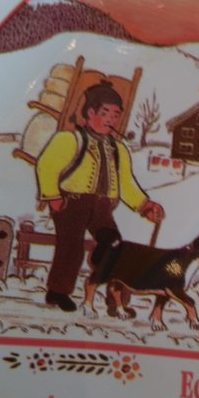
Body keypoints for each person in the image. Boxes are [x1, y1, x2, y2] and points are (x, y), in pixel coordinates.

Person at [35, 80, 164, 311]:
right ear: (89, 113)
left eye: (115, 115)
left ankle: (114, 297)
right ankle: (58, 292)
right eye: (105, 113)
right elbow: (47, 166)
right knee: (70, 246)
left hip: (102, 207)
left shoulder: (119, 149)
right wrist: (53, 197)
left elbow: (126, 183)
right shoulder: (69, 139)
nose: (110, 119)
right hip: (71, 203)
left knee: (114, 245)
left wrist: (144, 206)